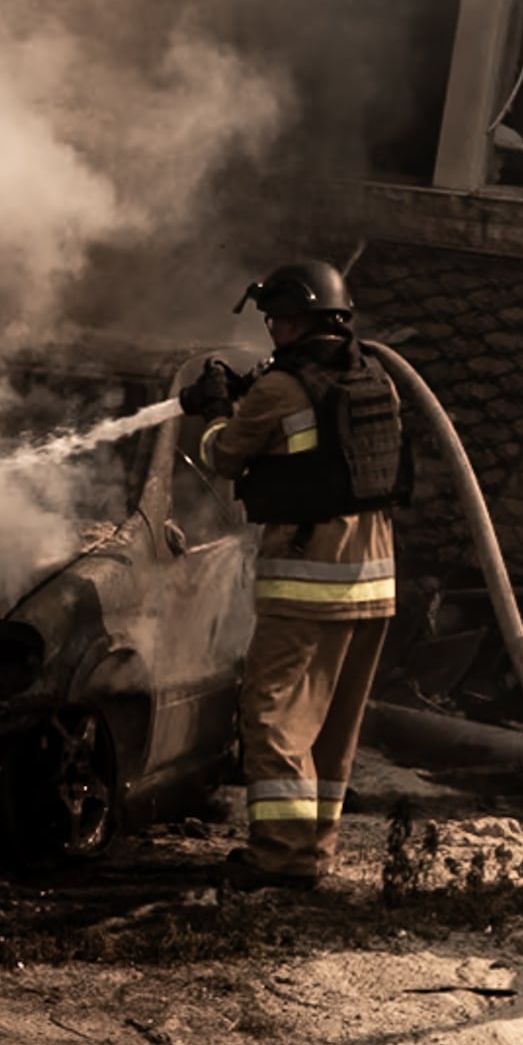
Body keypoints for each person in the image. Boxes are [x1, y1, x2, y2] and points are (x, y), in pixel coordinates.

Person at [177, 259, 404, 890]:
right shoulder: (376, 378)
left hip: (310, 577)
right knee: (331, 724)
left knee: (271, 713)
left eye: (275, 318)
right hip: (374, 579)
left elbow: (223, 455)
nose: (271, 329)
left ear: (300, 318)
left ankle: (276, 856)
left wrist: (220, 410)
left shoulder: (281, 390)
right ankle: (312, 851)